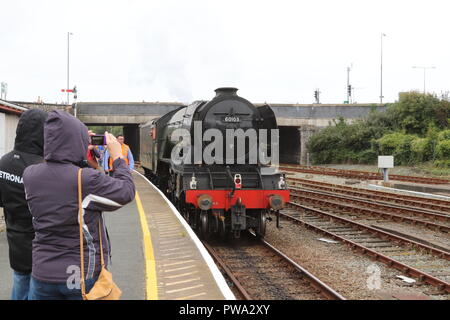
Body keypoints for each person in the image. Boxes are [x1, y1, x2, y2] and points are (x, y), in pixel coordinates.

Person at [23, 110, 135, 300]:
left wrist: (85, 160)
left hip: (41, 273)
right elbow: (126, 191)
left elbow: (62, 177)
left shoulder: (30, 174)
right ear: (76, 141)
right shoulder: (85, 179)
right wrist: (118, 158)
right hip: (79, 275)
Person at [0, 109, 48, 300]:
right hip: (42, 246)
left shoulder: (3, 163)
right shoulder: (42, 167)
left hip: (15, 242)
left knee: (19, 286)